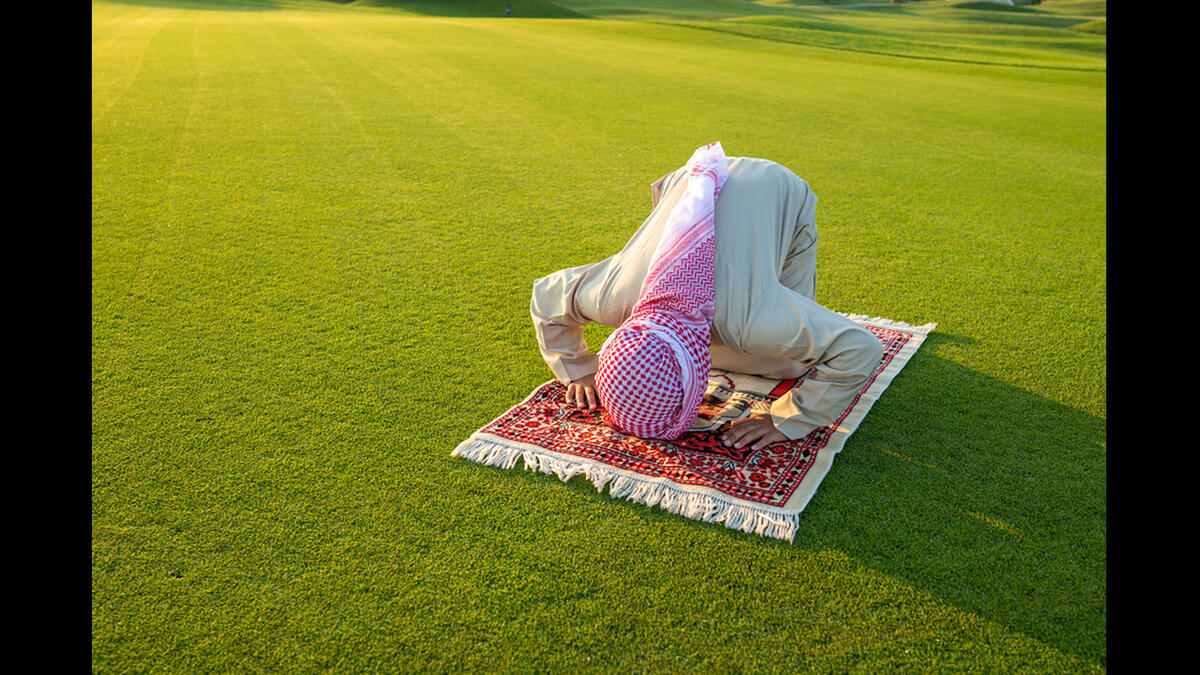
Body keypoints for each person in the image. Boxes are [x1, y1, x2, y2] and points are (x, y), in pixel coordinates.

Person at [530, 144, 883, 452]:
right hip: (684, 180)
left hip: (774, 186)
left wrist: (786, 419)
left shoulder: (751, 320)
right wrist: (577, 370)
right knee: (742, 343)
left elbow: (859, 349)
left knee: (787, 365)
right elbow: (547, 297)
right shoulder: (615, 296)